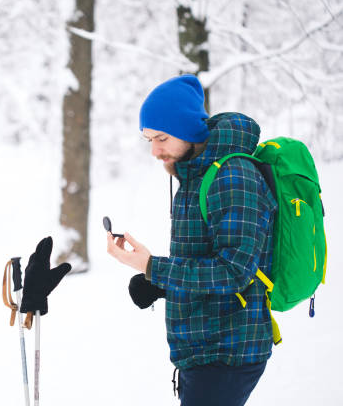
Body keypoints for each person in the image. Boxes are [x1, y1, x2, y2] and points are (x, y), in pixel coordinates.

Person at [106, 74, 277, 406]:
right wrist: (158, 282)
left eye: (162, 138)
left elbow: (234, 272)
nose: (155, 151)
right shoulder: (193, 175)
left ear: (188, 131)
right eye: (148, 140)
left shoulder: (233, 176)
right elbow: (208, 258)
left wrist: (153, 266)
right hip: (203, 348)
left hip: (227, 351)